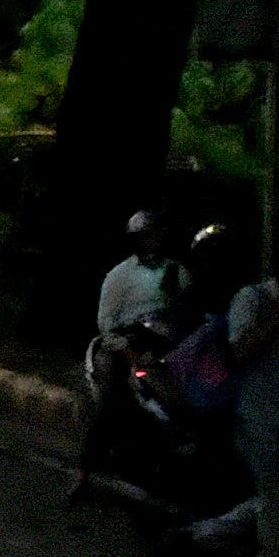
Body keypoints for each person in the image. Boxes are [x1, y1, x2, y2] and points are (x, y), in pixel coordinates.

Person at [180, 267, 279, 557]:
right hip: (255, 415)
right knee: (275, 499)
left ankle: (205, 534)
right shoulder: (253, 299)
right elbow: (239, 351)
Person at [75, 210, 174, 491]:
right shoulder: (119, 276)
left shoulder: (177, 272)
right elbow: (106, 325)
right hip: (121, 347)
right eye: (146, 236)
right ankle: (83, 470)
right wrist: (129, 352)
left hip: (165, 347)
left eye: (156, 235)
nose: (152, 241)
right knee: (109, 400)